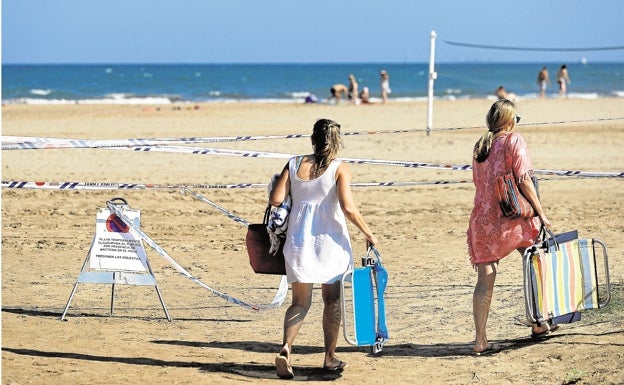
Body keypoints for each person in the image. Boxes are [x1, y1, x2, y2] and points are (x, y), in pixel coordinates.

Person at [269, 118, 378, 378]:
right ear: (337, 141)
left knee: (299, 303)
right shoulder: (340, 168)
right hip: (330, 242)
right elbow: (348, 208)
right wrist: (368, 232)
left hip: (298, 241)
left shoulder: (294, 163)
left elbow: (275, 199)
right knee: (332, 300)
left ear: (313, 139)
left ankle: (286, 348)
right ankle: (329, 358)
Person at [467, 100, 553, 356]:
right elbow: (524, 180)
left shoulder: (480, 145)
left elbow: (477, 182)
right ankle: (539, 322)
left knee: (485, 280)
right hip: (513, 216)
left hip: (482, 220)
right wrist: (541, 211)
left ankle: (480, 340)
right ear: (509, 120)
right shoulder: (514, 141)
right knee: (536, 264)